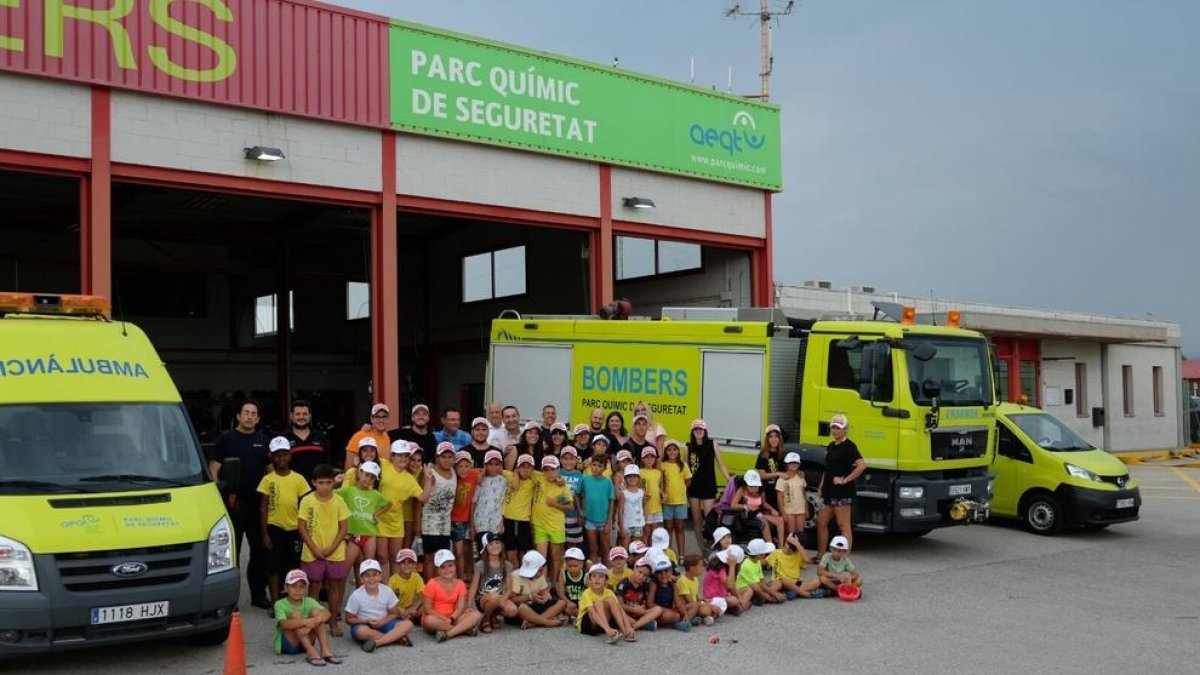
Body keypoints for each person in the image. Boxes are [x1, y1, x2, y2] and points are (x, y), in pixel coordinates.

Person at [208, 400, 271, 608]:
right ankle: (229, 599)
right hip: (233, 504)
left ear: (258, 418)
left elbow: (270, 470)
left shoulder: (264, 440)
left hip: (257, 505)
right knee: (231, 552)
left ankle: (258, 595)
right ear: (238, 416)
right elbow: (214, 468)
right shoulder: (226, 440)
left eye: (254, 413)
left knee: (259, 551)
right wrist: (218, 493)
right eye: (246, 412)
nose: (250, 416)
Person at [297, 464, 350, 636]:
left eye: (328, 483)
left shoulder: (339, 501)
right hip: (312, 552)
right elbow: (302, 526)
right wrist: (314, 548)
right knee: (314, 587)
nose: (325, 487)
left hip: (335, 552)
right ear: (313, 482)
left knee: (334, 587)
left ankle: (333, 622)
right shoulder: (307, 500)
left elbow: (344, 527)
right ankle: (313, 623)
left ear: (334, 483)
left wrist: (332, 547)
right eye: (321, 483)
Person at [258, 436, 310, 605]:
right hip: (275, 527)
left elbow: (304, 507)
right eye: (277, 455)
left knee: (293, 566)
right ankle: (275, 602)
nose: (281, 458)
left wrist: (304, 530)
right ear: (272, 457)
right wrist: (265, 534)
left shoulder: (299, 479)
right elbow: (263, 507)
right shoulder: (268, 479)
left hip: (294, 529)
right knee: (273, 567)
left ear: (290, 456)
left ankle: (293, 601)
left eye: (284, 454)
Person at [817, 414, 866, 554]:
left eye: (838, 428)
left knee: (843, 525)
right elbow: (827, 469)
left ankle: (845, 558)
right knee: (821, 522)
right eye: (833, 427)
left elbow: (861, 465)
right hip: (829, 491)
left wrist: (845, 480)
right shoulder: (831, 445)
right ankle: (821, 555)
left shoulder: (849, 446)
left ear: (845, 430)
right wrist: (821, 487)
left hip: (842, 493)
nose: (835, 430)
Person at [335, 460, 390, 583]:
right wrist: (335, 482)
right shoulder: (349, 490)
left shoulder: (375, 494)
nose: (368, 479)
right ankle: (341, 594)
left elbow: (388, 504)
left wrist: (376, 514)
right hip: (354, 534)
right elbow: (330, 494)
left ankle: (365, 594)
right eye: (366, 474)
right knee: (344, 570)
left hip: (369, 534)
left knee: (368, 569)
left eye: (372, 477)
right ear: (360, 473)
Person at [378, 441, 427, 576]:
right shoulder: (383, 464)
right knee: (382, 556)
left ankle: (394, 585)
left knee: (396, 556)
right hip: (379, 518)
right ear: (392, 456)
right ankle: (384, 584)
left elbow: (423, 498)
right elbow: (366, 463)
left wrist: (428, 480)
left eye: (406, 456)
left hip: (396, 521)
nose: (403, 459)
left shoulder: (410, 479)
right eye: (399, 455)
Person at [345, 559, 414, 652]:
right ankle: (396, 637)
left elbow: (394, 613)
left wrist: (382, 622)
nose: (371, 579)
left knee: (408, 624)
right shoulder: (356, 595)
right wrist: (366, 620)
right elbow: (349, 619)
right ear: (361, 579)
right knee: (361, 632)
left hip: (384, 622)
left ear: (380, 576)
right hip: (365, 624)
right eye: (367, 576)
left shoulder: (387, 591)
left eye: (374, 575)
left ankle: (377, 642)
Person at [273, 569, 339, 665]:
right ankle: (311, 652)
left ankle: (325, 650)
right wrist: (307, 622)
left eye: (301, 587)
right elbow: (283, 624)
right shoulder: (280, 604)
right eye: (293, 586)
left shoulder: (309, 601)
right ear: (285, 588)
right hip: (290, 644)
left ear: (305, 589)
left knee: (317, 612)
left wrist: (314, 622)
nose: (297, 590)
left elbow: (327, 614)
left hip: (306, 638)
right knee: (295, 614)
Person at [686, 419, 730, 553]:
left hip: (708, 486)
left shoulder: (712, 444)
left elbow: (721, 464)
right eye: (696, 429)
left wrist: (729, 479)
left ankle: (713, 547)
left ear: (705, 431)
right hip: (693, 487)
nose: (698, 431)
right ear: (692, 431)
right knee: (696, 521)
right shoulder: (688, 447)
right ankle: (702, 551)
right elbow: (685, 469)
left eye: (700, 429)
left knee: (709, 519)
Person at [421, 549, 483, 642]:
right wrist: (442, 617)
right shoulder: (431, 583)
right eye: (443, 567)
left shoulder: (460, 583)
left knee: (477, 615)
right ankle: (464, 630)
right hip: (436, 618)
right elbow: (427, 609)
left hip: (453, 617)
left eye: (450, 565)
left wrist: (451, 618)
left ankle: (448, 634)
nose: (448, 570)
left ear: (455, 566)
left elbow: (460, 607)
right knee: (429, 620)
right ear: (438, 570)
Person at [421, 442, 459, 580]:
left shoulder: (454, 471)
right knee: (430, 557)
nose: (447, 460)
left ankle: (441, 585)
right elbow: (421, 498)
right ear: (437, 457)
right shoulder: (430, 473)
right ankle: (428, 586)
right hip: (429, 523)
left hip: (445, 524)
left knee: (443, 558)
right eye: (443, 456)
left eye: (450, 456)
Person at [532, 455, 573, 581]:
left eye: (553, 469)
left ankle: (554, 584)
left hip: (556, 526)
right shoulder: (538, 476)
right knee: (540, 557)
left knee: (556, 557)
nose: (550, 473)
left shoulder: (562, 486)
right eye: (546, 469)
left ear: (558, 469)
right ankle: (542, 584)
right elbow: (521, 470)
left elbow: (570, 506)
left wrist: (555, 504)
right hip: (539, 525)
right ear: (542, 470)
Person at [505, 550, 568, 628]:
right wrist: (529, 597)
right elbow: (511, 599)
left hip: (536, 606)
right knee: (522, 608)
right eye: (540, 571)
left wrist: (545, 595)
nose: (542, 572)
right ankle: (547, 622)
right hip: (524, 607)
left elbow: (544, 590)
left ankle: (534, 622)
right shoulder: (515, 576)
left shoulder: (540, 575)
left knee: (562, 603)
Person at [576, 563, 635, 643]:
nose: (597, 579)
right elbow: (592, 613)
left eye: (601, 576)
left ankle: (624, 630)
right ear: (589, 580)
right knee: (598, 603)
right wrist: (607, 629)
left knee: (610, 599)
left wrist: (627, 626)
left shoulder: (609, 592)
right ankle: (608, 631)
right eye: (594, 576)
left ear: (606, 580)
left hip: (602, 623)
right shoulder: (586, 593)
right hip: (588, 625)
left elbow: (620, 609)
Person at [468, 532, 513, 633]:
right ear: (485, 547)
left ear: (502, 545)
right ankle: (486, 618)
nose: (495, 546)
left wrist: (504, 598)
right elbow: (474, 587)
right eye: (491, 544)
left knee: (512, 611)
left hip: (499, 597)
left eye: (497, 543)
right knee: (494, 597)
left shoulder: (507, 565)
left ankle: (492, 615)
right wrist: (469, 606)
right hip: (483, 598)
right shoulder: (480, 565)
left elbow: (509, 588)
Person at [578, 448, 615, 563]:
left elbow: (611, 501)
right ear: (590, 466)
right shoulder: (585, 479)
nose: (596, 468)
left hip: (604, 521)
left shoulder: (608, 482)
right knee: (593, 548)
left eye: (599, 466)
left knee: (605, 549)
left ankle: (607, 571)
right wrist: (580, 510)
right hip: (590, 520)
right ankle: (593, 571)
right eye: (594, 465)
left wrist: (609, 522)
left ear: (604, 469)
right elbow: (577, 494)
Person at [283, 400, 332, 484]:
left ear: (310, 416)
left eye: (305, 414)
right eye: (297, 414)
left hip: (316, 488)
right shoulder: (283, 438)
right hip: (291, 486)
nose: (301, 417)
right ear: (291, 416)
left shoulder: (321, 437)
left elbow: (327, 465)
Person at [733, 469, 785, 548]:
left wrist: (772, 509)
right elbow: (733, 505)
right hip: (747, 516)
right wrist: (745, 506)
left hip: (758, 513)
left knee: (780, 520)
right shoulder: (742, 490)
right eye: (751, 486)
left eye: (756, 486)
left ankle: (781, 546)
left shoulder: (761, 491)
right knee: (764, 522)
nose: (754, 488)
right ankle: (770, 547)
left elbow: (763, 503)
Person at [501, 454, 537, 565]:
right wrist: (515, 474)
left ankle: (524, 573)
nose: (525, 470)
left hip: (524, 521)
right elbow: (494, 470)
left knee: (524, 554)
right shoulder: (509, 475)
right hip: (508, 520)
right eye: (522, 466)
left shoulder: (533, 480)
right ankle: (515, 574)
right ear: (517, 467)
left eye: (529, 467)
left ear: (533, 469)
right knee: (510, 553)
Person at [450, 450, 481, 577]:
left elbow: (486, 469)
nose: (463, 469)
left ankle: (464, 577)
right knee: (456, 552)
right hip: (452, 518)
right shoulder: (451, 475)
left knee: (465, 550)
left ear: (471, 465)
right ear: (455, 466)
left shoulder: (474, 474)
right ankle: (458, 577)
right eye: (460, 466)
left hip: (466, 519)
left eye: (466, 466)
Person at [660, 439, 692, 556]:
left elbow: (688, 481)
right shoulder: (662, 465)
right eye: (669, 450)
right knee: (668, 527)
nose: (672, 452)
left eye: (674, 450)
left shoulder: (683, 465)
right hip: (667, 502)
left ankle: (681, 555)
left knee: (680, 527)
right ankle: (668, 554)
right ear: (665, 452)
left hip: (680, 501)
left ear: (678, 451)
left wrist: (680, 490)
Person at [615, 557, 664, 631]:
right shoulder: (623, 584)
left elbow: (643, 602)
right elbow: (619, 605)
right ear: (634, 568)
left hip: (638, 614)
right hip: (625, 614)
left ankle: (634, 626)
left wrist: (641, 608)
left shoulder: (644, 585)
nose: (641, 576)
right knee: (618, 612)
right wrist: (633, 609)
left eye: (645, 575)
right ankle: (641, 624)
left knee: (658, 609)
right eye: (640, 572)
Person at [769, 533, 823, 599]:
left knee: (817, 581)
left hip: (795, 583)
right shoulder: (776, 553)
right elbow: (764, 562)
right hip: (780, 582)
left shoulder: (798, 554)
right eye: (788, 544)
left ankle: (791, 592)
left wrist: (797, 544)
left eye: (792, 548)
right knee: (783, 581)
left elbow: (807, 560)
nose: (788, 548)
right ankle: (804, 594)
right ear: (786, 541)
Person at [472, 450, 508, 545]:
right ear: (485, 465)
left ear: (501, 465)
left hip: (496, 524)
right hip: (480, 523)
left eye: (497, 464)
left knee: (495, 549)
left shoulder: (504, 481)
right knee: (482, 550)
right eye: (490, 464)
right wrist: (472, 525)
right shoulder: (479, 480)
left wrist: (502, 522)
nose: (493, 467)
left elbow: (504, 503)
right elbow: (473, 503)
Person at [647, 557, 692, 632]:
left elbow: (678, 603)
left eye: (666, 571)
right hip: (658, 612)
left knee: (694, 605)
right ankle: (675, 624)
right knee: (674, 616)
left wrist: (685, 614)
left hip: (670, 611)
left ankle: (684, 620)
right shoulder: (654, 584)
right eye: (660, 572)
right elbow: (649, 604)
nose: (663, 575)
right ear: (655, 574)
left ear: (671, 572)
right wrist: (665, 610)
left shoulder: (673, 586)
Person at [345, 403, 391, 470]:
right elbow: (348, 468)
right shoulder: (359, 436)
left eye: (384, 417)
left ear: (388, 419)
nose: (381, 420)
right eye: (377, 417)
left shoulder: (386, 437)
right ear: (371, 419)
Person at [740, 539, 786, 605]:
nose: (766, 554)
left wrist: (770, 591)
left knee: (775, 583)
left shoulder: (757, 561)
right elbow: (757, 585)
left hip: (756, 584)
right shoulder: (747, 565)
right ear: (760, 555)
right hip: (745, 588)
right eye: (764, 553)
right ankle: (765, 598)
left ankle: (769, 595)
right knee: (756, 588)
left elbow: (761, 580)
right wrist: (774, 594)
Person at [776, 451, 809, 543]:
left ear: (799, 464)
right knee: (791, 534)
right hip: (789, 511)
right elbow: (779, 497)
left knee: (800, 534)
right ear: (786, 464)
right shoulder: (782, 479)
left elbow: (803, 494)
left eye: (795, 462)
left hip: (801, 510)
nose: (793, 465)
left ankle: (799, 550)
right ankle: (789, 550)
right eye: (791, 462)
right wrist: (783, 512)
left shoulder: (801, 477)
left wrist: (806, 509)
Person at [385, 549, 425, 624]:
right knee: (399, 611)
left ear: (415, 564)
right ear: (398, 564)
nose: (406, 565)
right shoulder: (393, 580)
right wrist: (401, 610)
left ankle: (408, 619)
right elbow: (388, 601)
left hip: (410, 607)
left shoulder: (416, 577)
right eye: (403, 562)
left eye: (410, 562)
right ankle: (408, 619)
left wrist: (414, 608)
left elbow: (423, 596)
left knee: (425, 606)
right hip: (397, 608)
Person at [676, 554, 717, 626]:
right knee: (703, 610)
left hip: (694, 604)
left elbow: (695, 597)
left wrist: (704, 599)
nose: (703, 568)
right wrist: (709, 606)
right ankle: (684, 621)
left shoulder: (695, 579)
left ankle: (698, 618)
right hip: (685, 607)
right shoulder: (683, 580)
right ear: (692, 568)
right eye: (700, 566)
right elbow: (691, 601)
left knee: (707, 609)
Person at [558, 447, 585, 552]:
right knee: (559, 544)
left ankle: (571, 561)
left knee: (572, 545)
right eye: (565, 458)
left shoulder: (580, 475)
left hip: (574, 515)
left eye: (571, 459)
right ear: (560, 460)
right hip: (558, 515)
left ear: (576, 460)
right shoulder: (557, 473)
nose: (568, 461)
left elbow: (582, 496)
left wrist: (581, 514)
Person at [755, 424, 787, 507]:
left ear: (780, 438)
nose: (774, 439)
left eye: (776, 436)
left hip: (781, 491)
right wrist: (778, 474)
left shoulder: (784, 453)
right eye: (771, 437)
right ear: (767, 439)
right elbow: (762, 475)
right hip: (767, 491)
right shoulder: (763, 454)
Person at [616, 465, 646, 548]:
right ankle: (626, 557)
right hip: (627, 525)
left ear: (638, 478)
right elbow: (620, 511)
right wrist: (621, 526)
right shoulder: (623, 493)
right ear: (625, 478)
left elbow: (643, 506)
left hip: (638, 524)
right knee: (626, 544)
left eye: (634, 476)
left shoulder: (642, 492)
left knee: (636, 546)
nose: (632, 478)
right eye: (629, 476)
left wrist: (643, 519)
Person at [638, 446, 665, 532]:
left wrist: (663, 495)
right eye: (646, 457)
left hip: (656, 506)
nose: (649, 459)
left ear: (655, 459)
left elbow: (660, 487)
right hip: (645, 507)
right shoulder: (639, 471)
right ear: (642, 459)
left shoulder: (658, 473)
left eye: (652, 457)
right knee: (646, 531)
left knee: (655, 530)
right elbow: (638, 486)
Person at [557, 546, 589, 617]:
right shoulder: (563, 574)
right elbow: (561, 594)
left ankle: (577, 616)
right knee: (565, 607)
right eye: (570, 566)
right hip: (568, 603)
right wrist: (569, 602)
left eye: (575, 566)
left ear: (581, 564)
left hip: (582, 603)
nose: (572, 568)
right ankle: (578, 616)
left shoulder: (586, 576)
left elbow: (590, 592)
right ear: (566, 564)